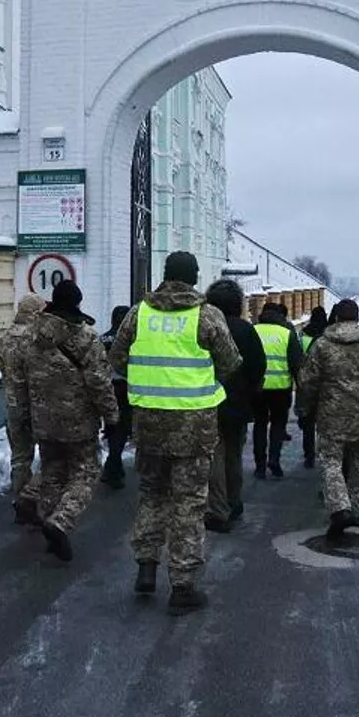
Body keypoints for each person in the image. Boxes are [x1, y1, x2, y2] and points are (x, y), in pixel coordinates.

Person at [109, 251, 241, 614]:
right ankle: (182, 585)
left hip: (149, 423)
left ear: (165, 275)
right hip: (194, 426)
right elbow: (230, 363)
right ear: (195, 278)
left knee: (152, 494)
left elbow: (117, 359)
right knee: (188, 502)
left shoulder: (139, 313)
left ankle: (147, 567)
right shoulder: (207, 315)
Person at [21, 279, 117, 561]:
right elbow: (100, 383)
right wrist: (112, 417)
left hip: (44, 420)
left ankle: (49, 521)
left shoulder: (31, 335)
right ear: (77, 304)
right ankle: (60, 521)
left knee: (52, 471)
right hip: (78, 422)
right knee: (85, 473)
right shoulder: (86, 338)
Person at [300, 300, 359, 540]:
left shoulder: (322, 346)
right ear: (357, 319)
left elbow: (308, 382)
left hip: (332, 415)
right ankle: (357, 511)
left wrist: (304, 410)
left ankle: (339, 507)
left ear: (336, 319)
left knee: (331, 461)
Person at [203, 280, 264, 532]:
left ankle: (217, 509)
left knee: (214, 455)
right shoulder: (246, 330)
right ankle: (234, 501)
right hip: (239, 403)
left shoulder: (204, 328)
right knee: (234, 455)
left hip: (208, 401)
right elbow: (258, 367)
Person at [0, 294, 47, 525]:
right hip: (35, 404)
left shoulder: (6, 337)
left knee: (19, 458)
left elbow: (2, 367)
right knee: (52, 455)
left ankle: (19, 502)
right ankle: (33, 498)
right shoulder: (34, 337)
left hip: (12, 405)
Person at [251, 302, 305, 479]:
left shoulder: (254, 331)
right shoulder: (286, 334)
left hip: (258, 388)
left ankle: (259, 466)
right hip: (281, 389)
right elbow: (297, 364)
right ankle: (274, 459)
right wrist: (302, 391)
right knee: (277, 426)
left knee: (259, 425)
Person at [100, 304, 133, 489]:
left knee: (112, 427)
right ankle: (112, 466)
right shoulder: (131, 341)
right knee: (122, 428)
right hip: (125, 386)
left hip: (107, 387)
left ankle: (114, 467)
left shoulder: (102, 338)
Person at [296, 307, 328, 468]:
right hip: (325, 386)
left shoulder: (303, 335)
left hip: (307, 384)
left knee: (308, 422)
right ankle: (323, 453)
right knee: (324, 423)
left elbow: (298, 358)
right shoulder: (328, 337)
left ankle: (309, 455)